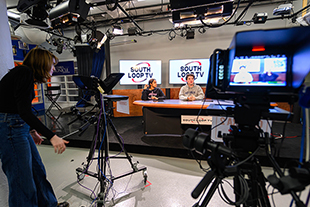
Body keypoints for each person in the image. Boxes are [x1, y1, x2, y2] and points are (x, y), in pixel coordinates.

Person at [0, 47, 69, 207]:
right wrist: (51, 136)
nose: (53, 69)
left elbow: (19, 107)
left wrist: (32, 131)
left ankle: (49, 205)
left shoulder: (25, 75)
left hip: (18, 126)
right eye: (51, 65)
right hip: (10, 128)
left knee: (37, 170)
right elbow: (23, 111)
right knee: (21, 180)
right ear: (42, 63)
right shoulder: (24, 73)